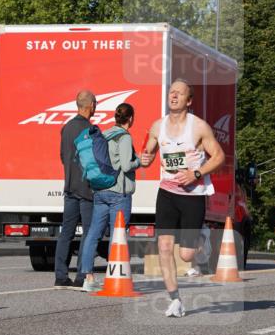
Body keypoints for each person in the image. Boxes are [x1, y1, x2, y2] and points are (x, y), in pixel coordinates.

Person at [140, 79, 225, 318]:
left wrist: (196, 173)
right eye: (171, 92)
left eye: (179, 94)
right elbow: (148, 151)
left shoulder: (198, 127)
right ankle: (175, 300)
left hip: (192, 195)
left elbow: (218, 156)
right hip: (167, 193)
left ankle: (202, 237)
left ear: (189, 101)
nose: (173, 96)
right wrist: (145, 159)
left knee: (187, 255)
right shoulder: (158, 126)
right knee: (164, 247)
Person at [78, 103, 140, 292]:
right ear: (130, 118)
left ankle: (87, 277)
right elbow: (127, 166)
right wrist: (139, 161)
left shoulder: (104, 134)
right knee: (117, 235)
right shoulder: (125, 137)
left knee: (93, 233)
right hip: (118, 193)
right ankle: (114, 276)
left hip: (100, 191)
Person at [54, 90, 96, 289]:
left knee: (66, 233)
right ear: (91, 106)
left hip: (69, 186)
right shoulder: (91, 129)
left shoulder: (67, 128)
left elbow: (63, 156)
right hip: (86, 189)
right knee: (88, 233)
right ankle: (81, 275)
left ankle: (60, 276)